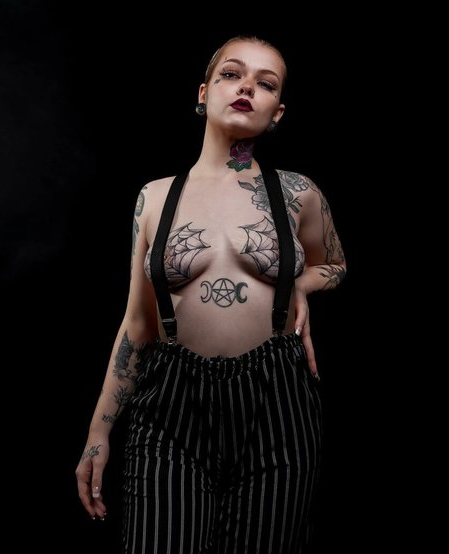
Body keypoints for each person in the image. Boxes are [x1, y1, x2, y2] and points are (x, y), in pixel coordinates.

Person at [75, 35, 346, 553]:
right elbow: (138, 323)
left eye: (266, 84)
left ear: (277, 112)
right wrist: (98, 432)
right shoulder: (154, 198)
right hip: (171, 408)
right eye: (231, 74)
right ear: (204, 93)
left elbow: (333, 264)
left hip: (277, 404)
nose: (247, 88)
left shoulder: (299, 193)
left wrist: (302, 284)